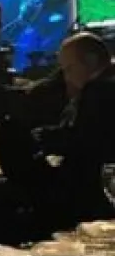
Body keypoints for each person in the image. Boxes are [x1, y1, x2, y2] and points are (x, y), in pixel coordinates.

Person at [38, 31, 115, 222]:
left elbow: (84, 141)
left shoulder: (98, 90)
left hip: (95, 195)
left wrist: (42, 137)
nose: (66, 78)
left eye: (69, 69)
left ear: (90, 61)